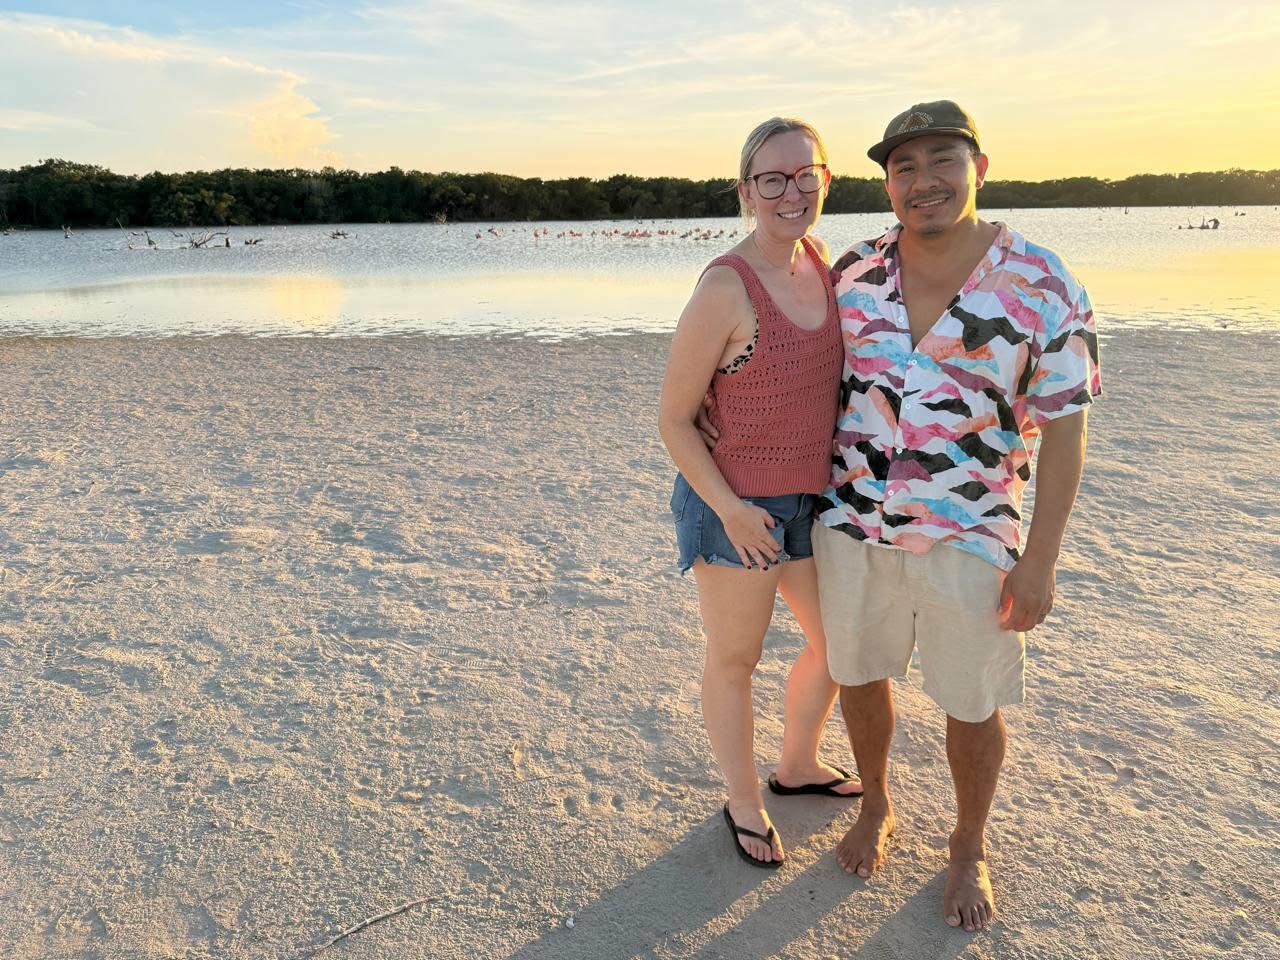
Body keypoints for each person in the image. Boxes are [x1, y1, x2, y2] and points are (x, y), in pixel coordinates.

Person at [814, 101, 1102, 930]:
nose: (922, 180)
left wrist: (1040, 558)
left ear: (980, 166)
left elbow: (1069, 429)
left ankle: (968, 842)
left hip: (971, 533)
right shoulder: (855, 270)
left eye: (942, 159)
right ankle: (876, 801)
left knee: (972, 700)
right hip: (851, 520)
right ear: (887, 183)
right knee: (860, 674)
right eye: (903, 167)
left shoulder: (1043, 283)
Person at [657, 117, 862, 868]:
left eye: (806, 174)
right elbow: (675, 420)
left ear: (826, 181)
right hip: (735, 505)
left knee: (840, 646)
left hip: (812, 498)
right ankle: (744, 799)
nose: (791, 191)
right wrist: (733, 509)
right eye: (772, 179)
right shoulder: (724, 286)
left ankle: (798, 764)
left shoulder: (823, 262)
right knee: (735, 658)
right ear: (746, 191)